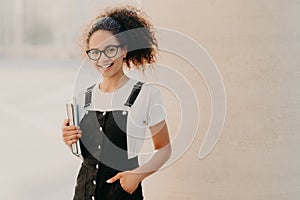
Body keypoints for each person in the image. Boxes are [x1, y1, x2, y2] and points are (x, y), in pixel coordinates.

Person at [61, 5, 171, 200]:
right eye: (95, 52)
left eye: (110, 49)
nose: (102, 58)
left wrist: (137, 176)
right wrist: (70, 140)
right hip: (83, 193)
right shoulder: (82, 98)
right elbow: (84, 154)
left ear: (124, 50)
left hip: (122, 194)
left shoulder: (146, 95)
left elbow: (164, 148)